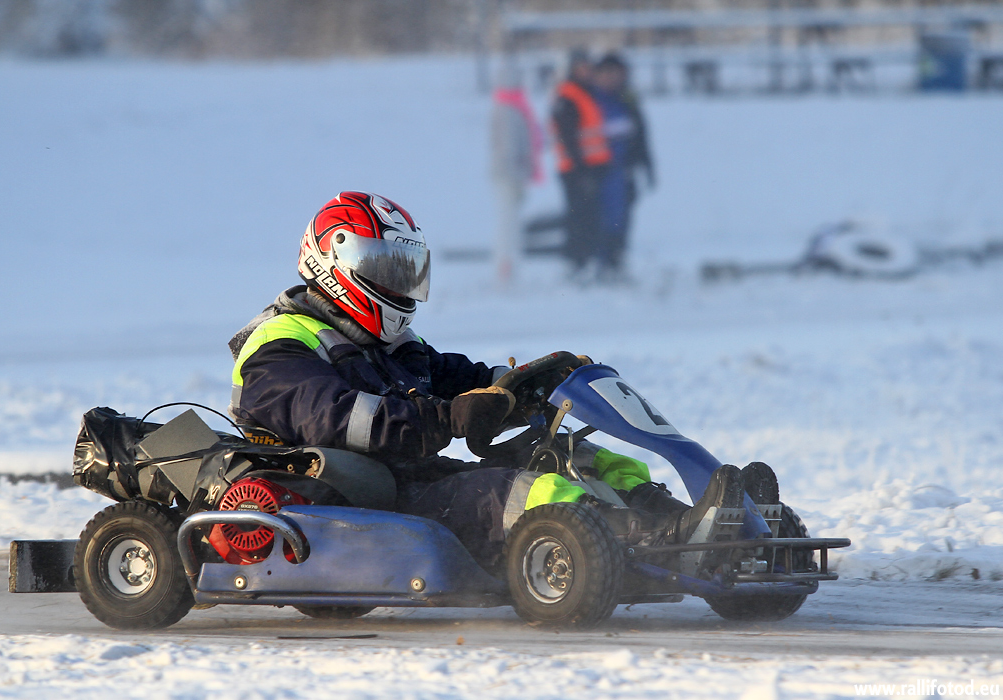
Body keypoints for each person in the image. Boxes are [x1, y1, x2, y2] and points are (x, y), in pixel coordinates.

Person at [228, 191, 760, 571]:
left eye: (404, 269)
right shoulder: (279, 345)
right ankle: (657, 545)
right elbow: (338, 419)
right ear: (332, 262)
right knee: (524, 491)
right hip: (358, 497)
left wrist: (523, 384)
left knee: (576, 456)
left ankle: (691, 523)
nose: (397, 283)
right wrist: (447, 418)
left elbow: (462, 377)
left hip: (413, 479)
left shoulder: (390, 342)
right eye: (384, 267)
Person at [589, 53, 655, 283]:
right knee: (601, 219)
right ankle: (601, 264)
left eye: (616, 74)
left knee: (622, 219)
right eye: (606, 74)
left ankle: (617, 262)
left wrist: (647, 166)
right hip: (599, 170)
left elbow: (641, 135)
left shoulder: (628, 100)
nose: (611, 79)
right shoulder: (591, 100)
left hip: (623, 170)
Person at [551, 49, 611, 282]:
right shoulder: (568, 97)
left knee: (591, 218)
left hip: (593, 168)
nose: (585, 72)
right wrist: (581, 170)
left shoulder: (588, 93)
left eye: (588, 68)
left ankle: (587, 261)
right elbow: (568, 138)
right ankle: (577, 263)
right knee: (578, 219)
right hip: (576, 171)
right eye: (581, 68)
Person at [490, 60, 543, 284]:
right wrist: (518, 174)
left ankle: (509, 268)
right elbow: (509, 149)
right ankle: (505, 271)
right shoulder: (509, 109)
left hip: (512, 175)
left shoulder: (514, 107)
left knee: (511, 224)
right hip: (510, 176)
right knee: (508, 225)